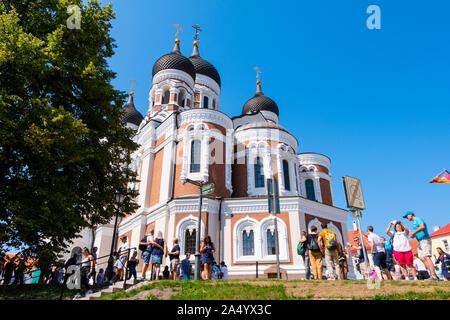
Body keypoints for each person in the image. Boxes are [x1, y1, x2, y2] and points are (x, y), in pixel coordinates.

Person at [404, 211, 439, 280]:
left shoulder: (418, 219)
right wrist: (413, 235)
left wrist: (414, 232)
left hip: (425, 239)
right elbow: (417, 232)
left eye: (407, 216)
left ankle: (433, 275)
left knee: (426, 257)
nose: (407, 218)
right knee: (422, 258)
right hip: (420, 241)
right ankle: (433, 275)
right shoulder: (414, 223)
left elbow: (422, 226)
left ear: (411, 215)